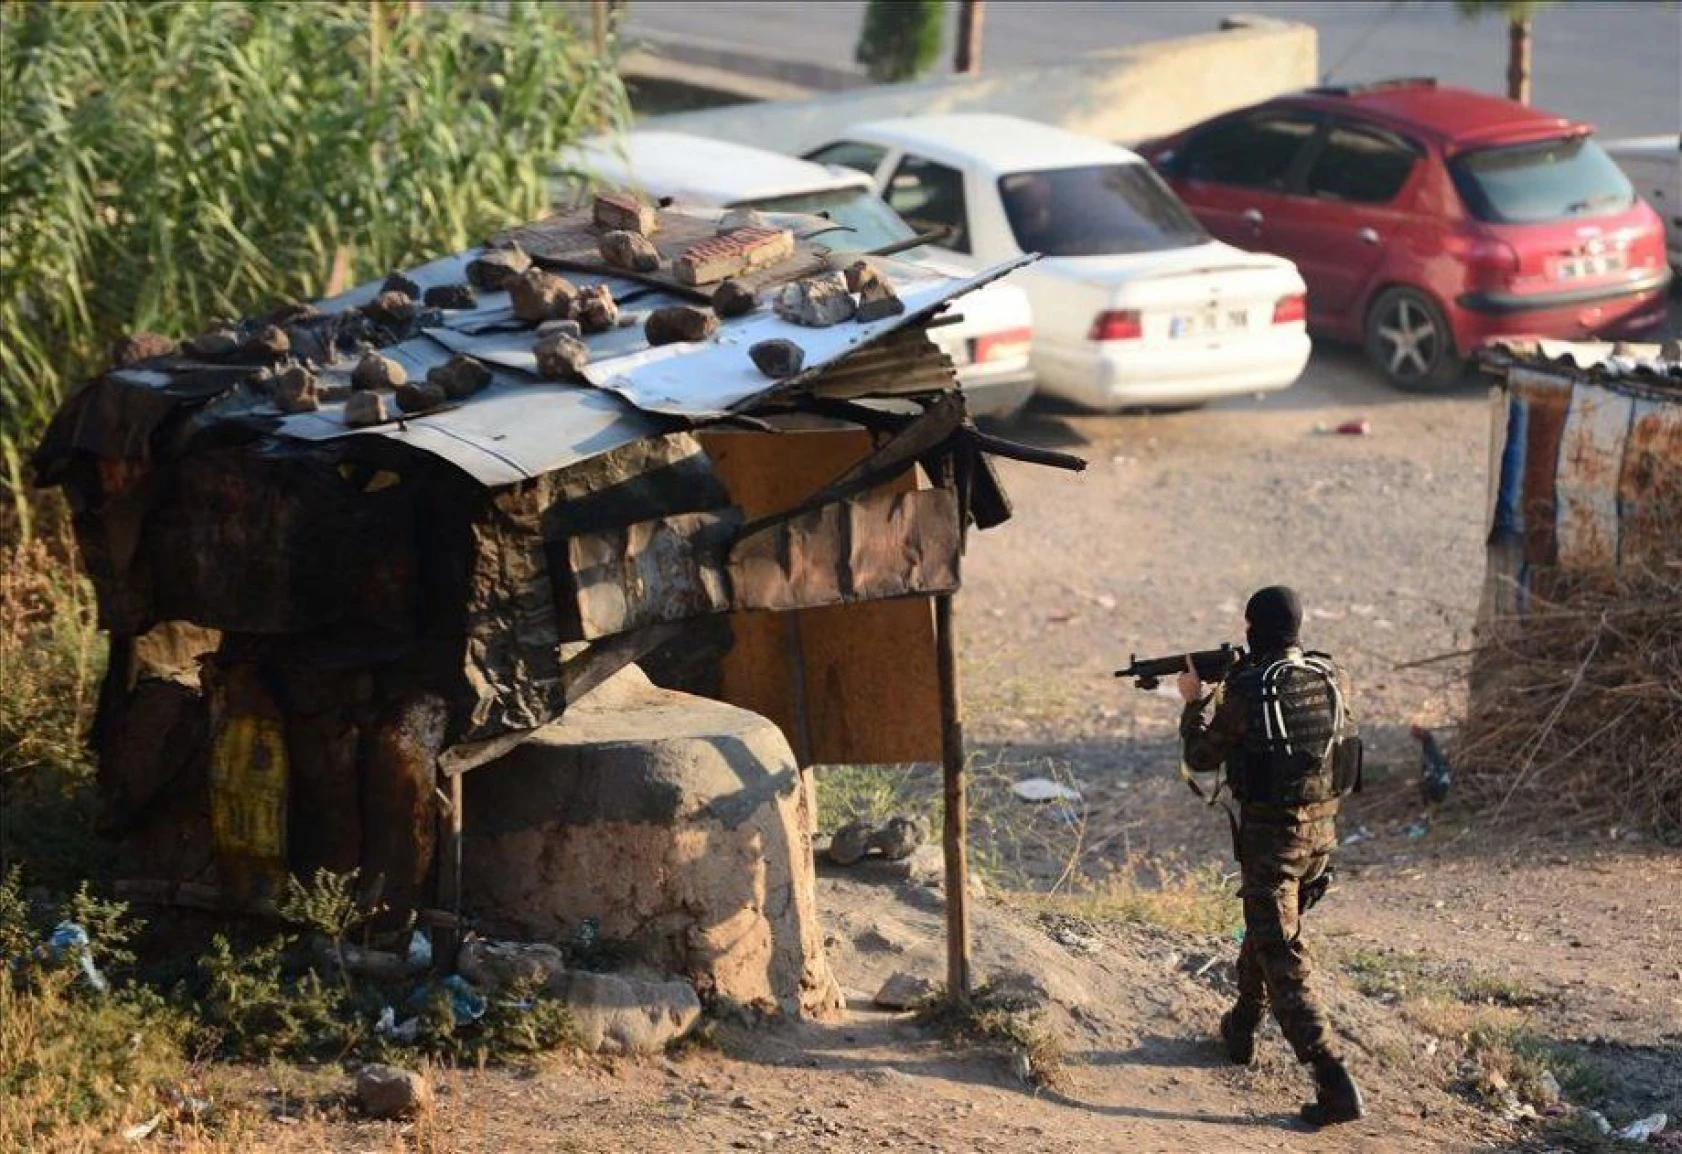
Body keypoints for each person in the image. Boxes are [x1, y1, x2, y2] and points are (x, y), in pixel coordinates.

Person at [1177, 585, 1365, 1127]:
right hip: (1321, 845)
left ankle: (1334, 1079)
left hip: (1272, 851)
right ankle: (1241, 1029)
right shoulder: (1332, 676)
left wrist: (1194, 702)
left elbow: (1202, 756)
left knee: (1283, 956)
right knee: (1266, 933)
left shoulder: (1250, 690)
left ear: (1253, 627)